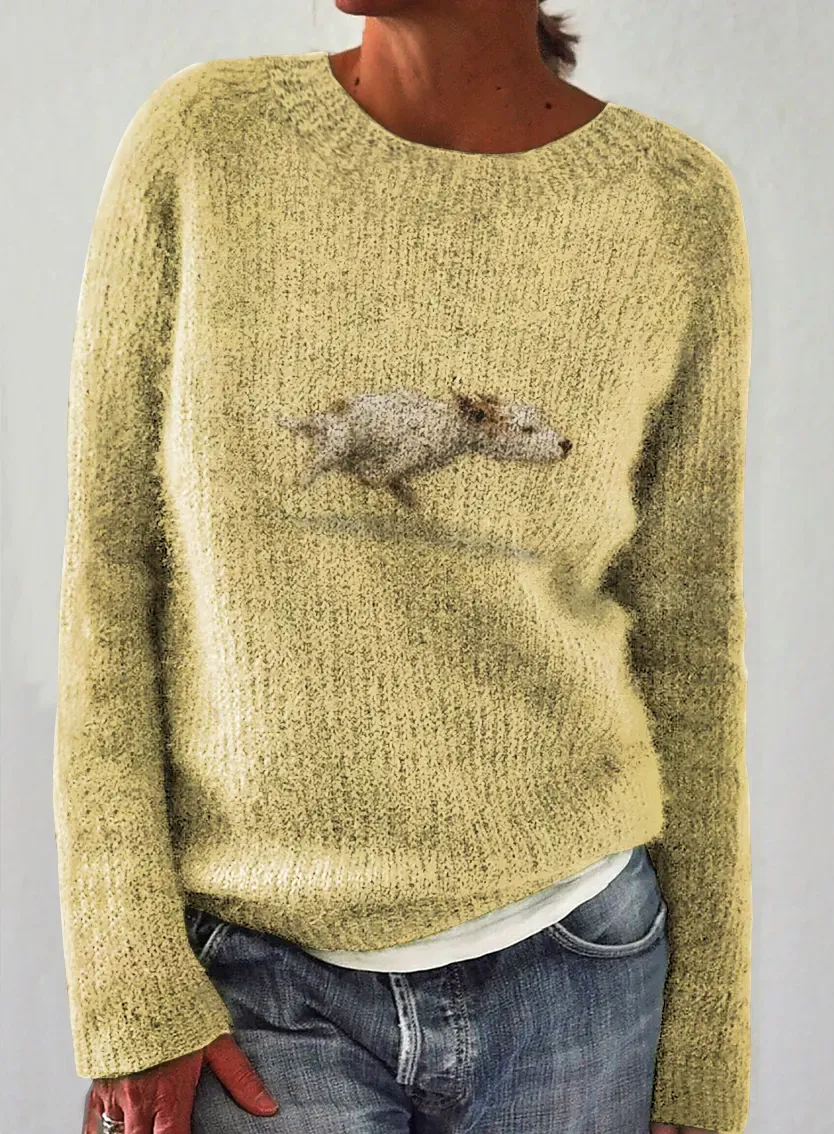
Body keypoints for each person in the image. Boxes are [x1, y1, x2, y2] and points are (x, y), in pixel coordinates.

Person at [54, 2, 753, 1133]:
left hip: (583, 976)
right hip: (258, 990)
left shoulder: (671, 207)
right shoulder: (207, 145)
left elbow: (690, 638)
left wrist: (706, 1045)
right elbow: (108, 580)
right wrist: (129, 984)